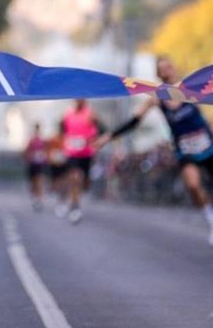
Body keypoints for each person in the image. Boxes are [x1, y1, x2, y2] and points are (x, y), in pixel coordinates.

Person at [96, 55, 213, 247]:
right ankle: (210, 218)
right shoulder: (157, 98)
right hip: (185, 150)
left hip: (207, 145)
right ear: (158, 74)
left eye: (168, 66)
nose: (166, 71)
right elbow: (134, 121)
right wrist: (109, 136)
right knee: (192, 185)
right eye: (162, 68)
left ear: (174, 69)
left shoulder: (189, 88)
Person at [60, 99, 102, 224]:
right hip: (72, 152)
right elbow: (63, 130)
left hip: (87, 153)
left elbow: (98, 129)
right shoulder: (68, 114)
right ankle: (75, 205)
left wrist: (93, 138)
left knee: (84, 183)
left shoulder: (90, 114)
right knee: (75, 178)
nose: (78, 101)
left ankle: (79, 194)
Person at [24, 123, 48, 211]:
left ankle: (39, 199)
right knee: (33, 181)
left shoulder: (43, 140)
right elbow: (27, 150)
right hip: (32, 163)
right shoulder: (31, 140)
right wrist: (28, 157)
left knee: (39, 181)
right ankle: (34, 196)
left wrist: (45, 158)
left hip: (40, 164)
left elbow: (46, 150)